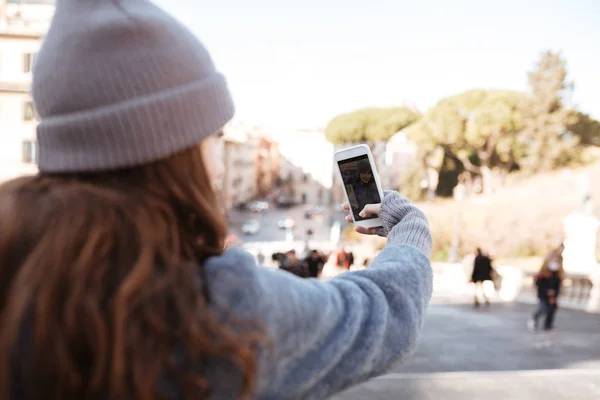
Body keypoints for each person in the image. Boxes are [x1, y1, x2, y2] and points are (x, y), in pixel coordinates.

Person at [0, 1, 433, 399]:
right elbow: (386, 311)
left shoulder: (13, 265)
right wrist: (409, 226)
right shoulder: (223, 308)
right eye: (212, 138)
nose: (221, 168)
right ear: (173, 151)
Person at [528, 245, 565, 332]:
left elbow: (558, 285)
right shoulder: (542, 273)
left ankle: (548, 325)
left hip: (553, 294)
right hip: (543, 294)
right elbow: (539, 283)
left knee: (552, 308)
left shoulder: (557, 273)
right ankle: (534, 319)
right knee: (543, 308)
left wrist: (555, 294)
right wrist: (546, 291)